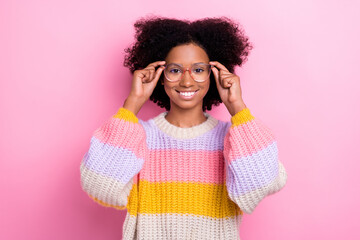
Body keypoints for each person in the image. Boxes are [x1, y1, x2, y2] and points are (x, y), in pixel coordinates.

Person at [80, 16, 287, 240]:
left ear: (214, 75)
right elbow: (98, 185)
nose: (187, 82)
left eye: (198, 70)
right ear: (160, 76)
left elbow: (264, 182)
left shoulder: (233, 139)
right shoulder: (137, 136)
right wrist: (133, 102)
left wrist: (237, 106)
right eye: (175, 70)